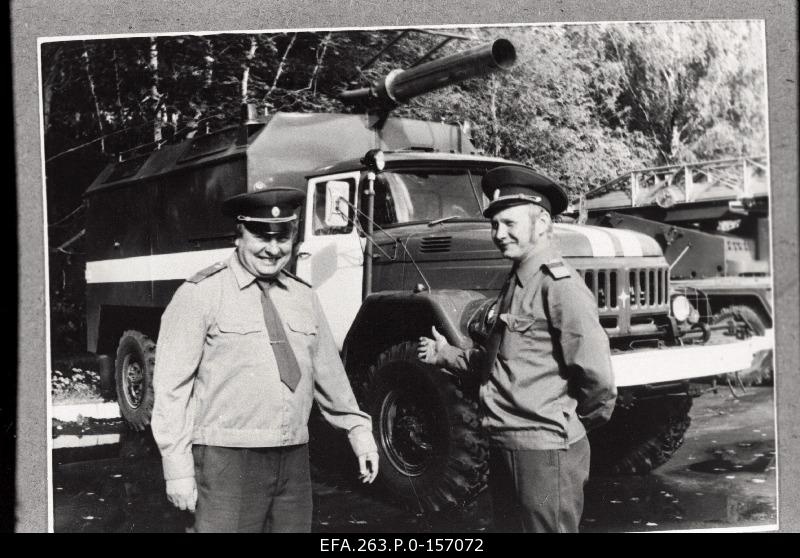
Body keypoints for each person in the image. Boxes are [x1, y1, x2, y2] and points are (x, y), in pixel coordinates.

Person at [151, 185, 379, 533]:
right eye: (261, 235)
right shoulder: (200, 294)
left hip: (293, 458)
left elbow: (330, 376)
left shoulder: (304, 296)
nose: (273, 249)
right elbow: (171, 389)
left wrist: (358, 430)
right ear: (238, 235)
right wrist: (177, 468)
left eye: (282, 236)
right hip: (226, 458)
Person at [417, 166, 616, 533]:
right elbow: (498, 363)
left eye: (509, 223)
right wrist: (445, 352)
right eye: (494, 225)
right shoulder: (516, 282)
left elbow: (598, 380)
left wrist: (565, 426)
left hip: (543, 453)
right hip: (506, 442)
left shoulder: (559, 287)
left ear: (541, 223)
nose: (498, 233)